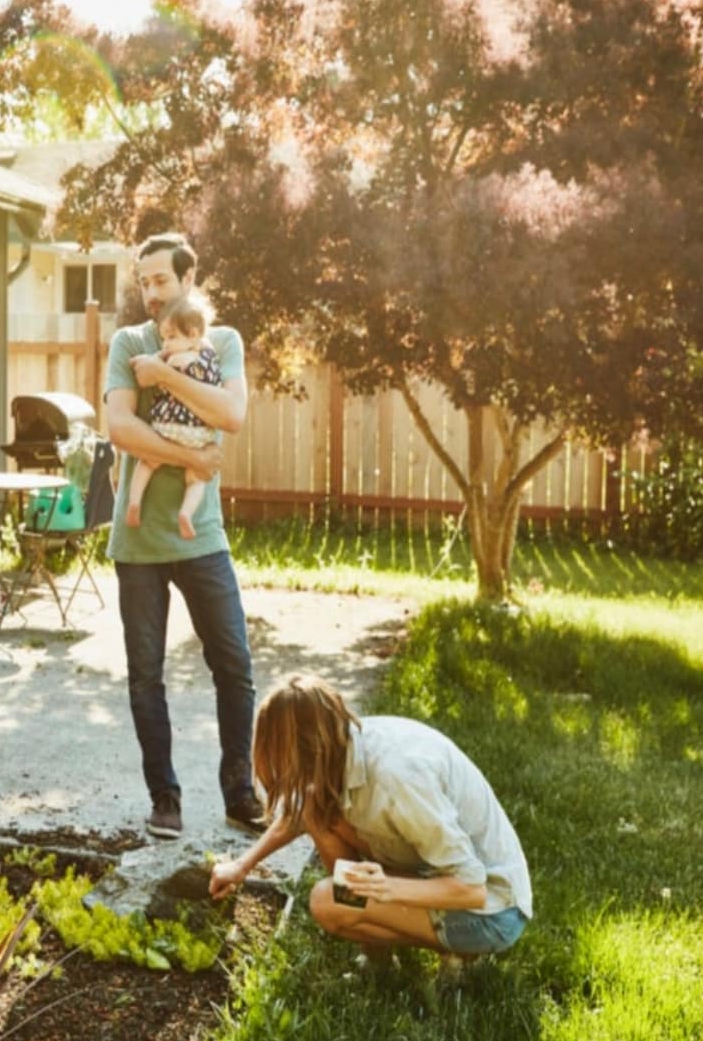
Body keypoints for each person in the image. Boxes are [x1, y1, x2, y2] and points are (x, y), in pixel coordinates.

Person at [104, 232, 263, 840]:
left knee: (235, 665)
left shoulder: (223, 342)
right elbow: (121, 429)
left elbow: (231, 416)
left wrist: (165, 380)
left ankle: (240, 792)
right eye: (142, 282)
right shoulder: (128, 343)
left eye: (160, 281)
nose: (149, 294)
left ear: (189, 277)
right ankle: (164, 798)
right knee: (145, 674)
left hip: (202, 538)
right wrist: (193, 458)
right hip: (139, 542)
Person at [210, 675, 532, 957]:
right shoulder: (345, 743)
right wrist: (242, 866)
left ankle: (456, 953)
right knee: (316, 809)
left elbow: (470, 887)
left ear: (311, 752)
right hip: (438, 875)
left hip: (491, 912)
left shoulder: (399, 779)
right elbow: (299, 814)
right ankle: (377, 947)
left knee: (327, 900)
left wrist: (386, 889)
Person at [125, 294, 223, 540]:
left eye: (171, 337)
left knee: (147, 462)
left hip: (170, 427)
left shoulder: (177, 359)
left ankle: (134, 502)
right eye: (164, 338)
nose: (166, 344)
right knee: (196, 478)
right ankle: (186, 514)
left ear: (191, 335)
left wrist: (145, 361)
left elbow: (152, 368)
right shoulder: (208, 354)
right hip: (198, 434)